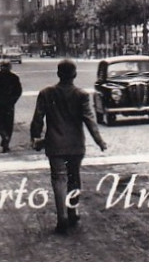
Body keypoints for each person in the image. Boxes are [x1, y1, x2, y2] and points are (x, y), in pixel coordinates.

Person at [30, 59, 108, 234]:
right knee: (74, 177)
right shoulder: (81, 95)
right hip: (75, 145)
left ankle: (62, 217)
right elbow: (90, 120)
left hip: (55, 144)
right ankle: (73, 211)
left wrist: (35, 137)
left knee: (58, 179)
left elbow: (37, 118)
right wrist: (99, 141)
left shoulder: (46, 93)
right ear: (75, 75)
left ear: (58, 74)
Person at [0, 59, 24, 152]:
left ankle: (4, 136)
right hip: (9, 104)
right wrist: (13, 100)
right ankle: (6, 140)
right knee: (8, 124)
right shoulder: (14, 77)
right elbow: (18, 91)